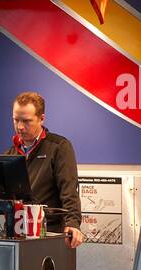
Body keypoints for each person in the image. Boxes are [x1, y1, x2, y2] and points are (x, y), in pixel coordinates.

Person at [5, 91, 83, 249]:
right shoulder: (9, 154)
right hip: (15, 235)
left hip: (50, 235)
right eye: (16, 120)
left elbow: (68, 189)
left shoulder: (59, 147)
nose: (20, 127)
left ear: (41, 118)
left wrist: (73, 223)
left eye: (26, 121)